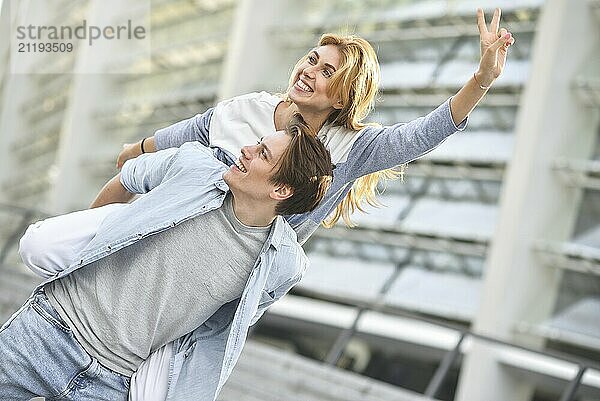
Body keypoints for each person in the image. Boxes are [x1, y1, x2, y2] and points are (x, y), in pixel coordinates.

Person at [0, 115, 333, 401]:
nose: (246, 149)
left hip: (110, 382)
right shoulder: (194, 167)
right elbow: (127, 177)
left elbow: (221, 327)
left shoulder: (283, 265)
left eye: (262, 153)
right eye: (257, 142)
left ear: (281, 191)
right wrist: (87, 243)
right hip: (47, 329)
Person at [116, 8, 515, 244]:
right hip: (174, 238)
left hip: (234, 280)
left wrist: (482, 79)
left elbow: (424, 134)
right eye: (311, 59)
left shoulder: (351, 149)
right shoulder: (247, 108)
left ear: (341, 97)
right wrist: (133, 153)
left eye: (326, 71)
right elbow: (178, 137)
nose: (309, 71)